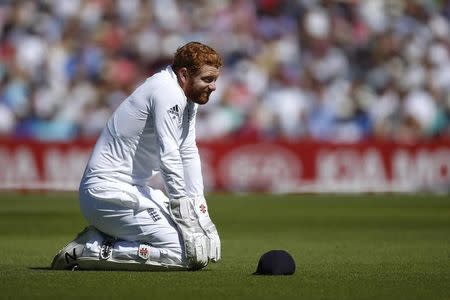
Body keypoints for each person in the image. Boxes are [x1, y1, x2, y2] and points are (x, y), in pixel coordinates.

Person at [51, 42, 222, 271]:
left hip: (131, 189)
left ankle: (102, 238)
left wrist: (201, 214)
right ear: (184, 74)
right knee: (185, 254)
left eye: (214, 80)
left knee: (197, 243)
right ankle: (90, 249)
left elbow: (188, 151)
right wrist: (184, 213)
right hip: (106, 192)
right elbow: (169, 155)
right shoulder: (166, 91)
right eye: (207, 79)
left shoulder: (186, 95)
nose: (213, 87)